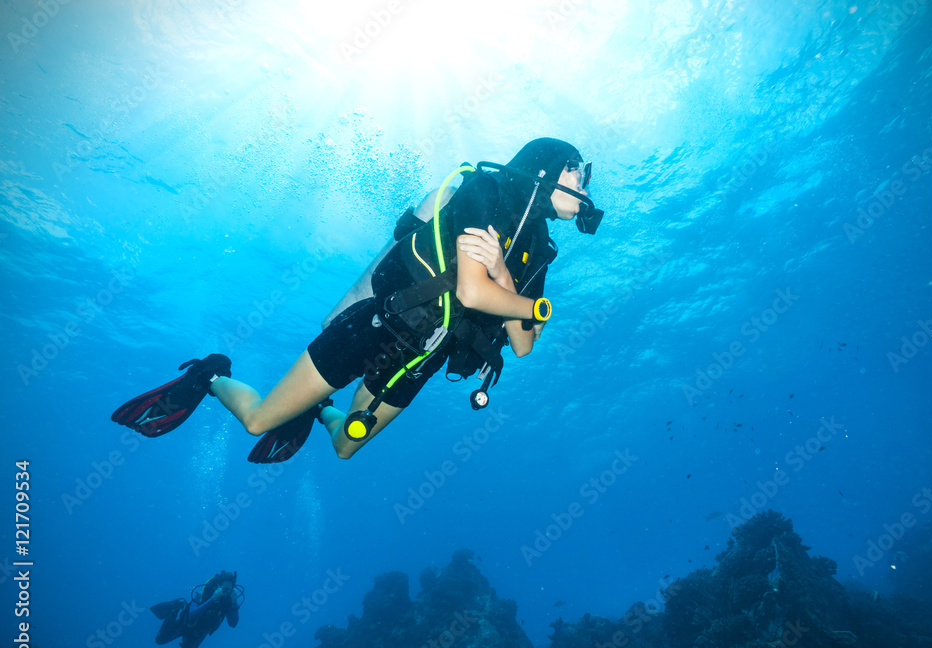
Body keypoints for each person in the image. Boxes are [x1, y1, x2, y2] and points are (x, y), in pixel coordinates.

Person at [112, 138, 603, 460]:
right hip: (378, 325)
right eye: (580, 172)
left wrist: (502, 272)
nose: (584, 185)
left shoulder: (540, 249)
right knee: (258, 421)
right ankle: (211, 374)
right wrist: (535, 308)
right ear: (549, 167)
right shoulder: (485, 190)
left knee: (346, 446)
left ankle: (314, 409)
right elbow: (474, 293)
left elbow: (522, 346)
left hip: (421, 361)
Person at [152, 570, 243, 648]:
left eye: (229, 590)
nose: (226, 593)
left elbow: (233, 623)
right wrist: (212, 599)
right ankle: (175, 608)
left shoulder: (229, 601)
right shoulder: (203, 594)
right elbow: (192, 615)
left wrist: (234, 602)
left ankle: (186, 638)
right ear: (217, 587)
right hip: (186, 624)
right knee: (160, 640)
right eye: (224, 589)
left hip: (200, 632)